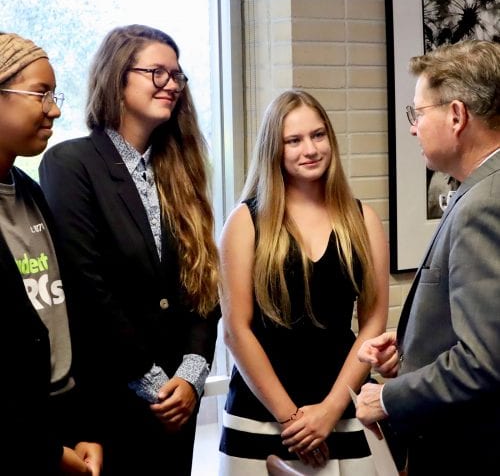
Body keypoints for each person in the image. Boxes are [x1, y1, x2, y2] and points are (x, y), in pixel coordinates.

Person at [38, 24, 220, 476]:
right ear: (116, 77)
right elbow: (87, 287)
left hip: (179, 406)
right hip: (111, 405)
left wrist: (192, 376)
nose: (171, 85)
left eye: (177, 75)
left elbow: (203, 284)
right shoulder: (70, 163)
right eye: (156, 72)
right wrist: (155, 383)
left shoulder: (181, 170)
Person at [218, 89, 389, 474]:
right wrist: (292, 420)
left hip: (343, 413)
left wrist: (328, 412)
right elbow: (236, 331)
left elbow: (373, 324)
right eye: (293, 140)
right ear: (273, 150)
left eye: (318, 135)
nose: (309, 149)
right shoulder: (245, 222)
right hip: (260, 416)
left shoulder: (364, 220)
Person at [356, 40, 500, 475]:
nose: (414, 128)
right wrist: (414, 349)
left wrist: (386, 397)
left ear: (457, 116)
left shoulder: (483, 205)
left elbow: (485, 361)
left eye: (418, 114)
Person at [0, 32, 102, 475]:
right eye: (40, 94)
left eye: (54, 95)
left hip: (64, 422)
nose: (55, 110)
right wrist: (45, 452)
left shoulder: (32, 194)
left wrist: (85, 430)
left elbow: (64, 318)